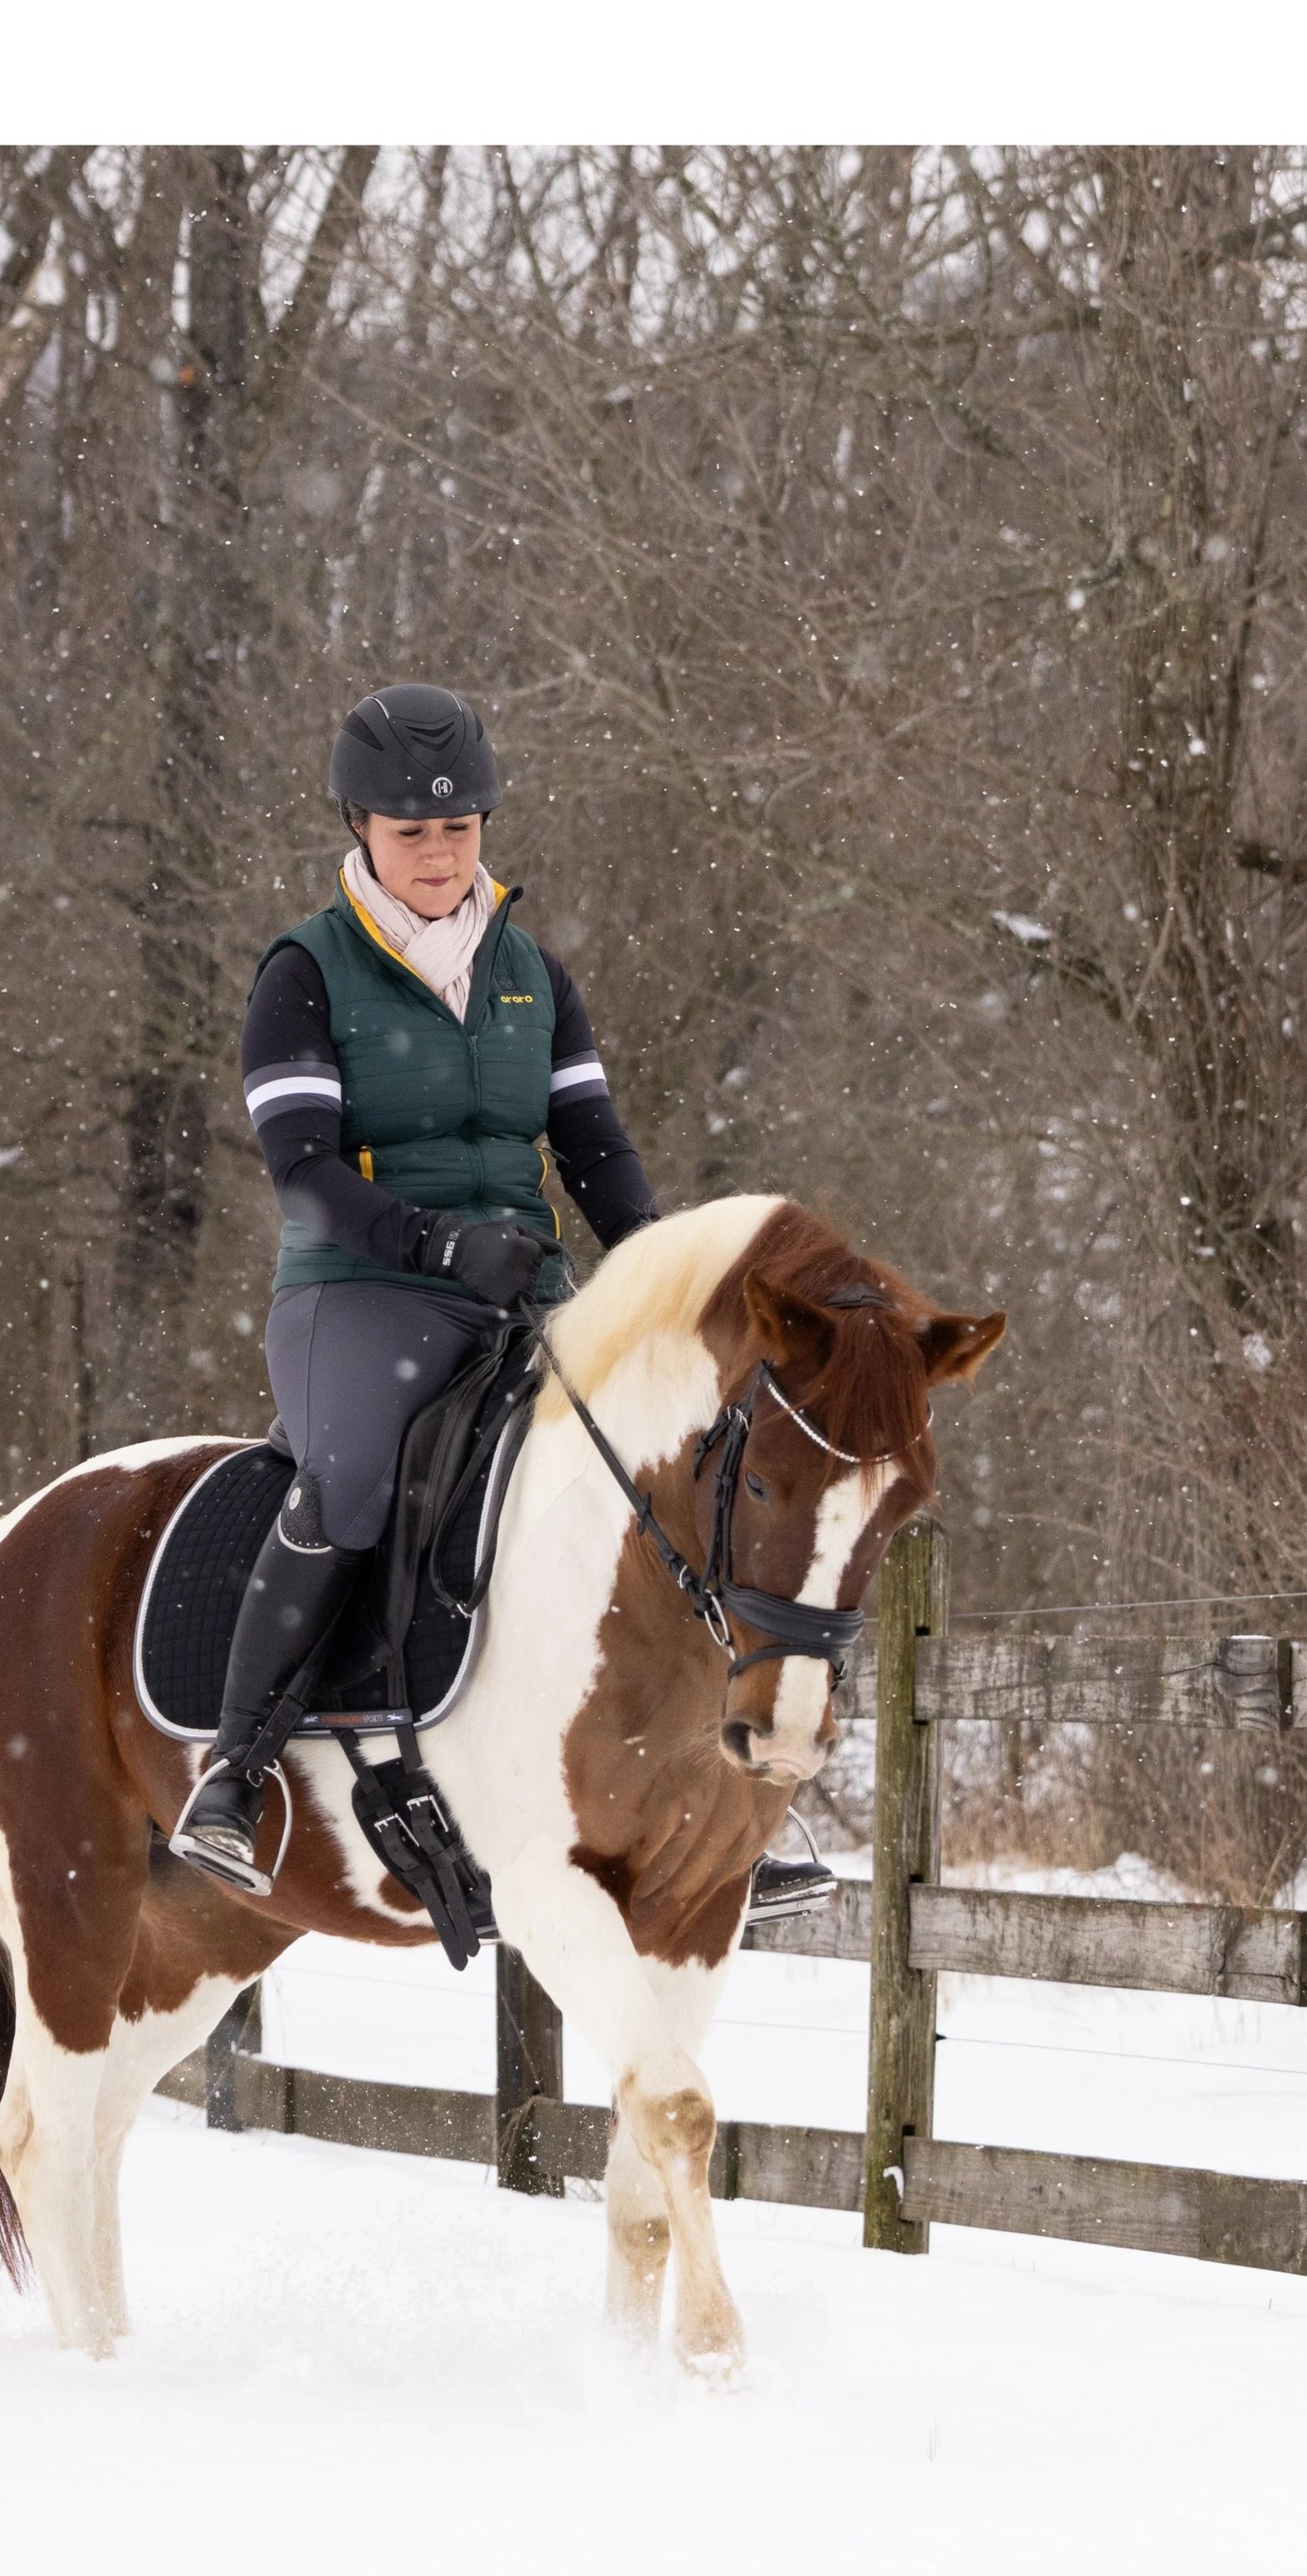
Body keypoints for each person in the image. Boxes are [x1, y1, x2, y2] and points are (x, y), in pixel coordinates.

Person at [169, 680, 832, 1923]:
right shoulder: (303, 975)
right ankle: (235, 1770)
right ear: (360, 827)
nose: (439, 853)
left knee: (682, 1465)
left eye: (459, 829)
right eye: (412, 832)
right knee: (353, 1481)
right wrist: (431, 1240)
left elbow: (593, 1150)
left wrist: (668, 1277)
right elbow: (304, 1175)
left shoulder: (534, 974)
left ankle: (728, 1789)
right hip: (357, 1291)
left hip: (527, 1285)